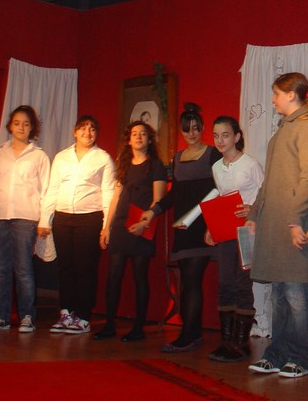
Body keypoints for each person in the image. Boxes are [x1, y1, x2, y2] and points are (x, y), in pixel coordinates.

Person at [245, 72, 308, 379]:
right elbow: (270, 180)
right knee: (279, 292)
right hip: (275, 222)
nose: (273, 99)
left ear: (291, 95)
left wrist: (297, 221)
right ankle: (276, 354)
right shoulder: (284, 129)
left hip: (294, 223)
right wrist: (255, 213)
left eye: (276, 94)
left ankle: (302, 358)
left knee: (295, 291)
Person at [140, 103, 222, 352]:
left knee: (192, 280)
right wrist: (153, 211)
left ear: (203, 129)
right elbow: (175, 194)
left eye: (196, 128)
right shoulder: (177, 158)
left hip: (203, 227)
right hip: (182, 227)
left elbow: (221, 190)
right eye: (187, 129)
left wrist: (213, 225)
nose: (191, 133)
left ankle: (188, 334)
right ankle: (192, 333)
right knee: (187, 281)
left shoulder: (213, 154)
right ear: (181, 131)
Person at [0, 105, 51, 333]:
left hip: (25, 217)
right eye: (17, 123)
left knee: (23, 268)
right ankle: (2, 317)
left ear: (32, 128)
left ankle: (27, 316)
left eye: (26, 124)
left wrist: (45, 220)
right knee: (1, 269)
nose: (21, 127)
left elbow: (46, 190)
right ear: (10, 126)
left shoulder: (39, 156)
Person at [41, 115, 116, 335]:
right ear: (75, 132)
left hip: (90, 218)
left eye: (92, 129)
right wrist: (45, 219)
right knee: (65, 268)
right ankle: (66, 313)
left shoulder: (103, 158)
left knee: (85, 268)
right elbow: (53, 188)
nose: (87, 132)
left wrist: (106, 226)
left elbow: (108, 193)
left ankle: (83, 317)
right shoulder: (62, 157)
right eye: (83, 128)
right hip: (62, 218)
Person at [95, 121, 167, 342]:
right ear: (128, 140)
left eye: (143, 133)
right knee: (114, 275)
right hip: (120, 225)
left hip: (142, 225)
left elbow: (158, 200)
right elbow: (115, 198)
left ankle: (138, 328)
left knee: (140, 276)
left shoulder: (156, 165)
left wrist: (144, 224)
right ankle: (109, 325)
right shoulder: (124, 163)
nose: (138, 137)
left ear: (149, 139)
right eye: (134, 133)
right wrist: (106, 227)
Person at [205, 116, 264, 362]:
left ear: (237, 137)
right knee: (225, 282)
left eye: (225, 135)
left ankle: (241, 343)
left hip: (247, 230)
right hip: (226, 230)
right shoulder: (217, 167)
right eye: (216, 135)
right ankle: (226, 341)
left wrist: (252, 209)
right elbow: (221, 198)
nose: (220, 140)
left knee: (242, 283)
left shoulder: (250, 164)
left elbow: (265, 195)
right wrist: (211, 227)